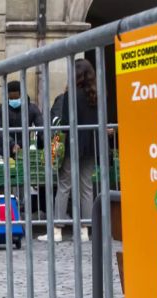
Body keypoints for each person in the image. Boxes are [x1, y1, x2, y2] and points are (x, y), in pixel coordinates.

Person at [43, 59, 98, 242]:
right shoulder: (96, 95)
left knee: (65, 185)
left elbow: (65, 121)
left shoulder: (70, 95)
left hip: (73, 144)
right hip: (90, 144)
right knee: (87, 188)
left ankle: (57, 230)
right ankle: (84, 231)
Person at [0, 81, 45, 217]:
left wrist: (46, 141)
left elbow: (41, 126)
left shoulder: (32, 108)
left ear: (21, 95)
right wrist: (11, 144)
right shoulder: (2, 109)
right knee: (6, 180)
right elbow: (0, 130)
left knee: (22, 180)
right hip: (5, 150)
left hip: (24, 151)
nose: (13, 100)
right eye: (11, 98)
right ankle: (7, 208)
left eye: (15, 97)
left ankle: (21, 207)